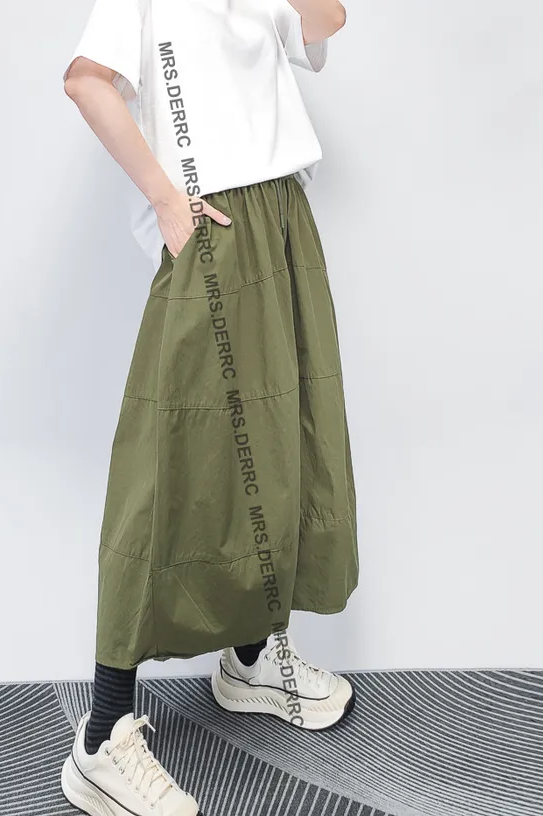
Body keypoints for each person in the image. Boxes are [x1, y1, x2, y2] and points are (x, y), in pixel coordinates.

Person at [60, 1, 359, 814]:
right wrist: (165, 198)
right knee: (168, 462)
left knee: (279, 444)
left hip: (282, 213)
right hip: (215, 221)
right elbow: (86, 81)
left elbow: (329, 20)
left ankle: (251, 658)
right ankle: (103, 732)